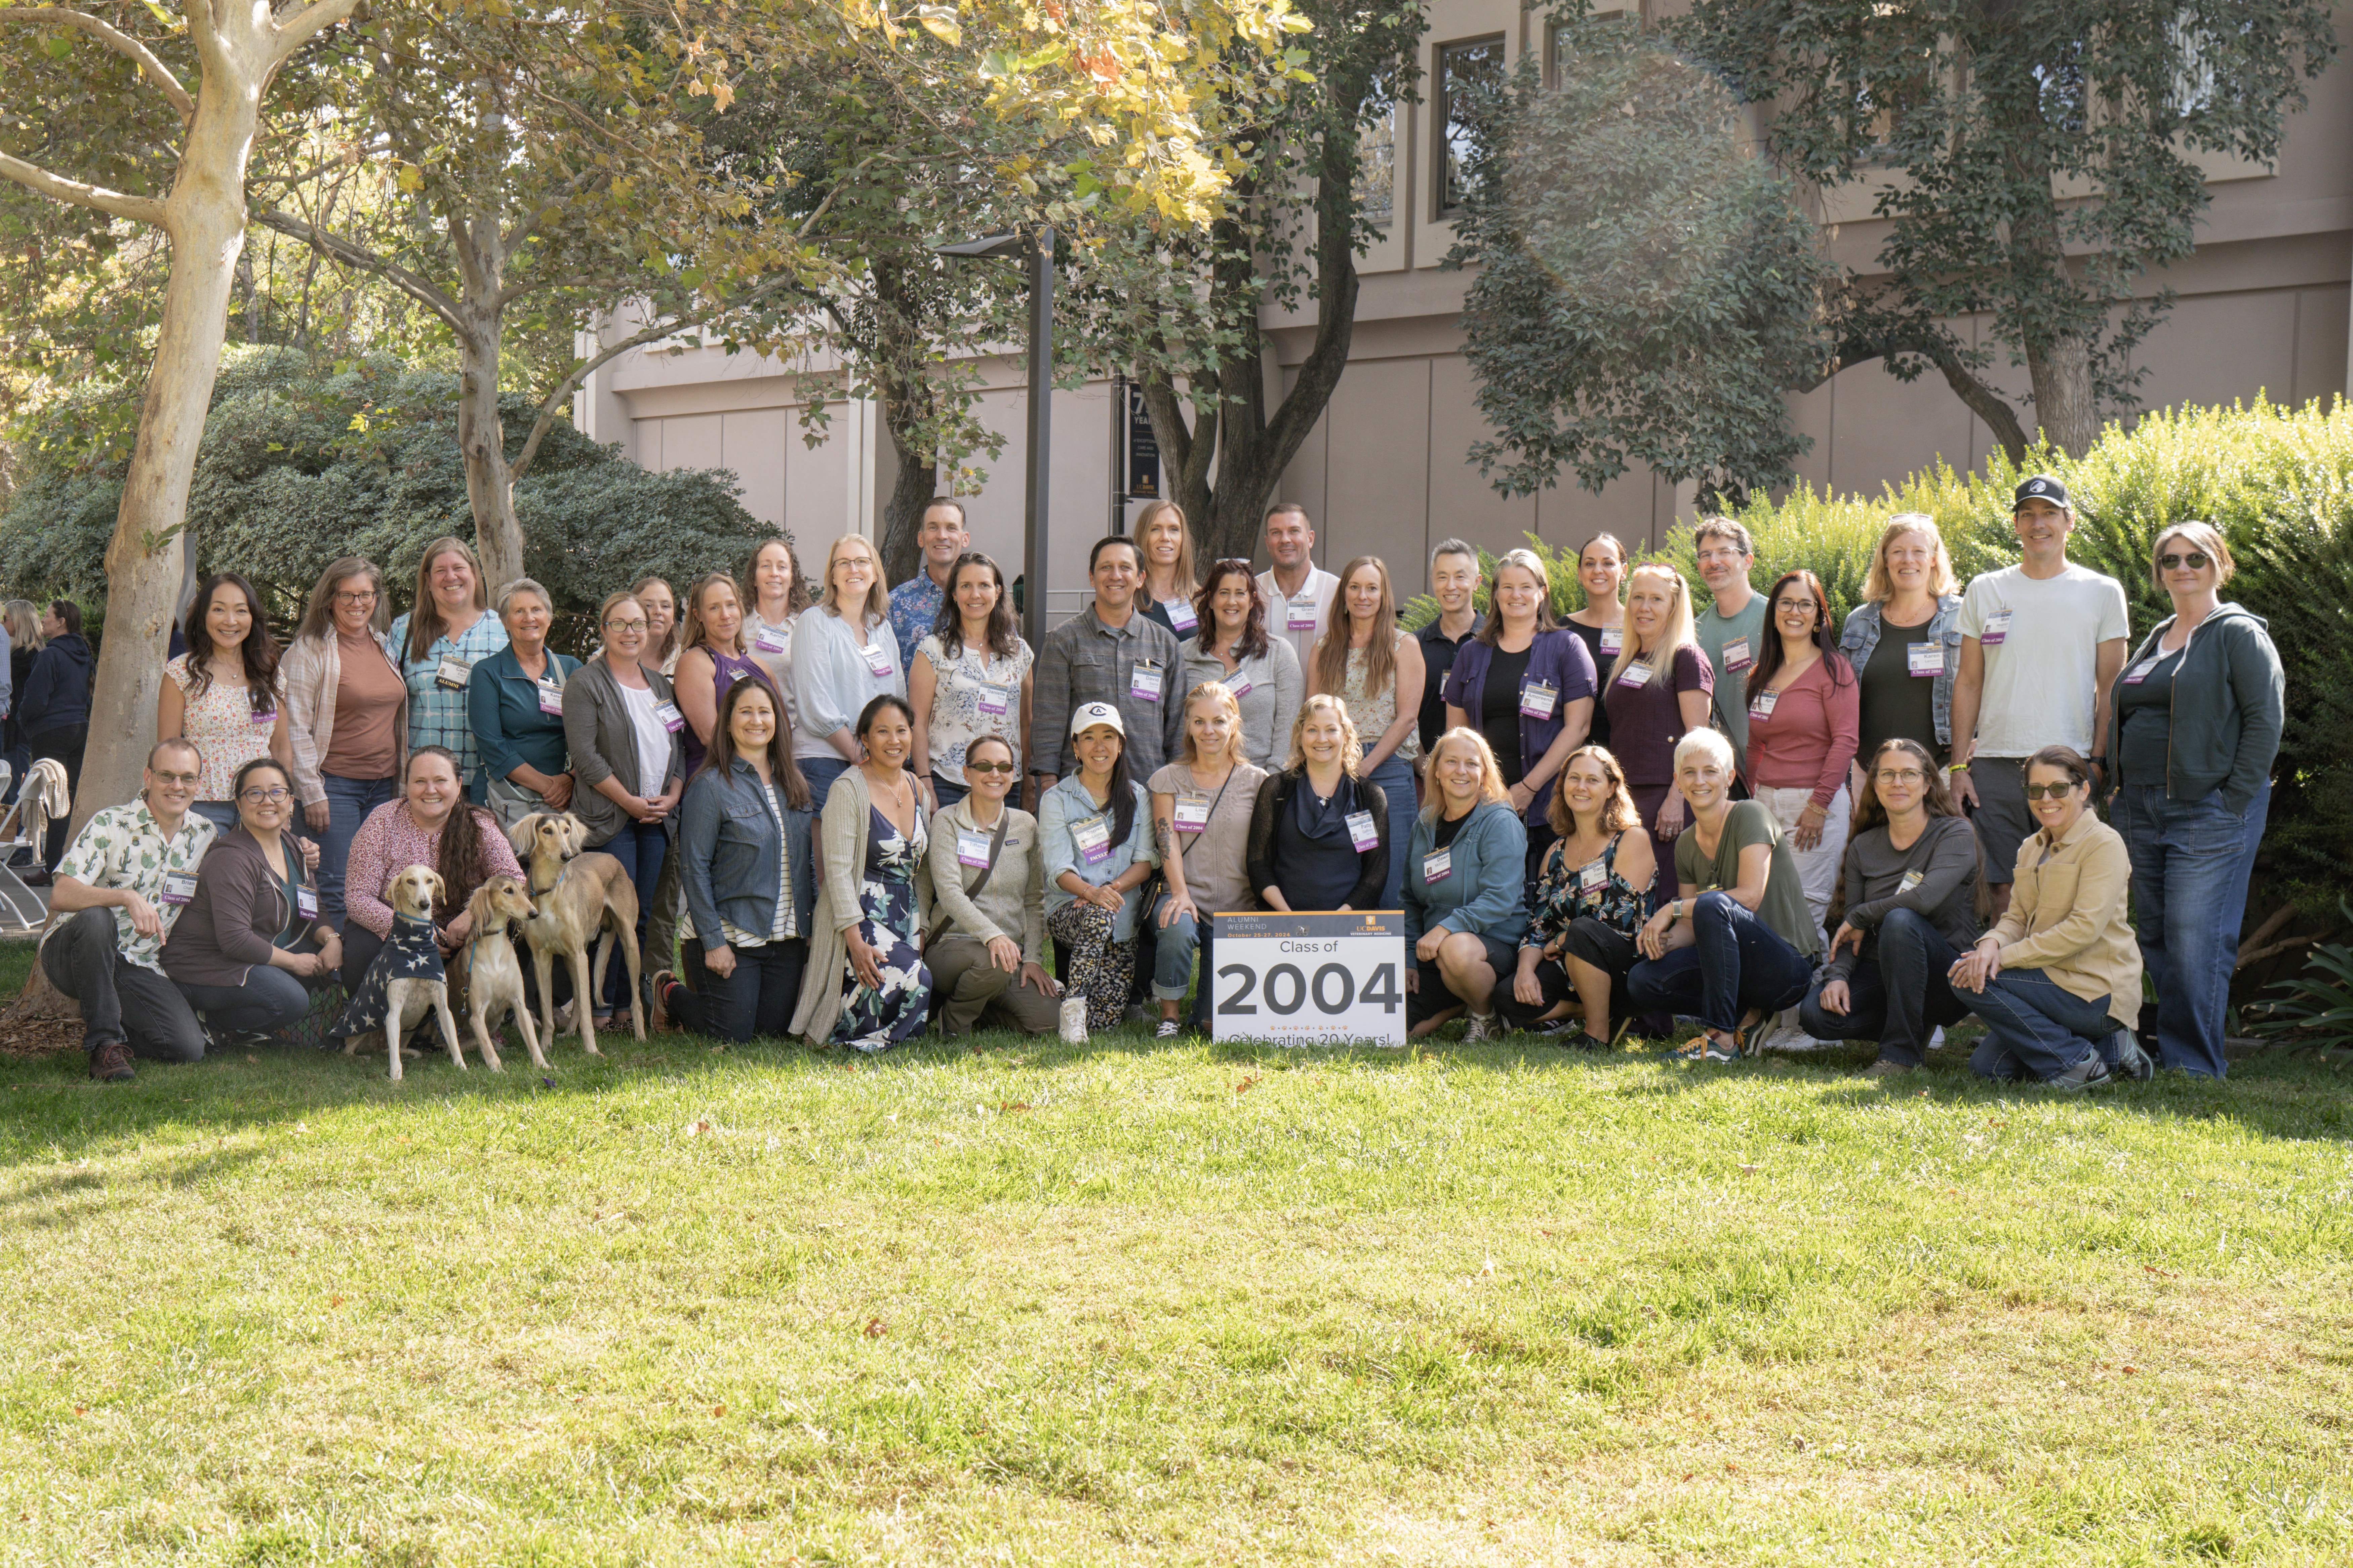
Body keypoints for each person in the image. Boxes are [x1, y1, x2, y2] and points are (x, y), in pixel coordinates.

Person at [2105, 521, 2284, 1078]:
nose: (2182, 568)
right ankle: (2175, 1049)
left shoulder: (2237, 633)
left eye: (2195, 558)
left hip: (2206, 809)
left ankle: (2196, 1065)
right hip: (2139, 807)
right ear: (2159, 572)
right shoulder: (2159, 635)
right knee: (2157, 933)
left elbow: (2266, 720)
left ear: (2219, 565)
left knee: (2195, 937)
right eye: (2171, 560)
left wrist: (2233, 800)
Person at [1949, 475, 2130, 912]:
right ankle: (2006, 961)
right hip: (1995, 766)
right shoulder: (1985, 589)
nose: (2038, 523)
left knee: (2066, 892)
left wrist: (2098, 761)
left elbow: (2111, 688)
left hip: (2069, 763)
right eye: (2027, 514)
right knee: (2002, 891)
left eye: (2049, 513)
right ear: (2016, 524)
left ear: (2070, 521)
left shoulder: (2102, 592)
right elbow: (1968, 681)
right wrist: (1957, 767)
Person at [1952, 745, 2144, 1090]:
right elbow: (2016, 917)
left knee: (1969, 979)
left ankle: (2078, 1066)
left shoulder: (2103, 844)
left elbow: (2083, 930)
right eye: (2035, 790)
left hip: (2095, 990)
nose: (2046, 799)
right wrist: (1990, 944)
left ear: (2083, 790)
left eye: (2058, 788)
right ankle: (2111, 1049)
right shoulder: (2031, 847)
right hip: (2049, 982)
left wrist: (2002, 958)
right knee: (1989, 1069)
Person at [1627, 728, 1823, 1062]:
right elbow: (1690, 926)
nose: (1699, 781)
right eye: (1690, 772)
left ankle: (1721, 1039)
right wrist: (1663, 943)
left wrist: (1670, 909)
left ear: (1730, 778)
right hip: (1731, 966)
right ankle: (1747, 1017)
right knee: (1643, 979)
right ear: (1678, 781)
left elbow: (1749, 897)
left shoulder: (1750, 814)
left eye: (1710, 771)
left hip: (1784, 968)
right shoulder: (1686, 843)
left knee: (1714, 903)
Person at [1797, 739, 1985, 1077]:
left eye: (1909, 774)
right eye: (1887, 775)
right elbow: (1849, 929)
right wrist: (1838, 977)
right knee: (1816, 1015)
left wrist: (1861, 915)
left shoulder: (1955, 832)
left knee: (1901, 920)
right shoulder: (1863, 846)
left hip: (1946, 977)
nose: (1897, 783)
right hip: (1880, 970)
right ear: (1874, 785)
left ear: (1928, 784)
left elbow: (1923, 898)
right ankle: (1910, 1025)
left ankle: (1901, 1057)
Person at [44, 740, 216, 1078]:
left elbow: (241, 859)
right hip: (75, 950)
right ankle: (104, 1046)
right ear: (148, 777)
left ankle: (119, 1028)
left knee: (188, 1048)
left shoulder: (204, 833)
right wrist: (125, 897)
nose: (177, 786)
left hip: (139, 961)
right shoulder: (110, 823)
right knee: (97, 918)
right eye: (166, 776)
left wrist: (299, 849)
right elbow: (61, 894)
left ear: (199, 783)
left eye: (187, 778)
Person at [656, 673, 814, 1042]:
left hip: (785, 938)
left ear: (777, 720)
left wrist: (812, 930)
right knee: (733, 1035)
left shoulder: (794, 783)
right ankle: (669, 992)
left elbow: (807, 862)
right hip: (732, 933)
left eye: (765, 711)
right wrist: (714, 942)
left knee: (773, 1034)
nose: (756, 720)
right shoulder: (710, 786)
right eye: (745, 712)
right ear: (727, 723)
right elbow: (694, 868)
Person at [1740, 568, 1858, 1054]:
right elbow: (1755, 745)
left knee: (1806, 910)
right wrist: (1753, 802)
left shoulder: (1835, 670)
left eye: (1805, 604)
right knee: (1772, 912)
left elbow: (1845, 741)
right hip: (1766, 804)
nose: (1795, 611)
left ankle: (1815, 1025)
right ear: (1773, 613)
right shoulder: (1762, 673)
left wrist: (1818, 804)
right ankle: (1790, 1018)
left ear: (1819, 615)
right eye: (1786, 603)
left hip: (1815, 804)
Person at [1442, 547, 1598, 888]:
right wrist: (1475, 791)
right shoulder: (1471, 653)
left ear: (1542, 593)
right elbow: (1455, 736)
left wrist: (1528, 788)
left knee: (1548, 896)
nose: (1516, 595)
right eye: (1508, 587)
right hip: (1482, 803)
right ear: (1495, 594)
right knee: (1486, 896)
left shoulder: (1567, 647)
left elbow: (1579, 727)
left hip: (1550, 804)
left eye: (1526, 587)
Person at [564, 590, 684, 1024]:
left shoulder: (660, 685)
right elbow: (585, 756)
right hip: (610, 818)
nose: (630, 631)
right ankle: (597, 1007)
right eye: (619, 623)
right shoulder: (585, 683)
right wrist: (630, 802)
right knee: (606, 915)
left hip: (656, 818)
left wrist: (673, 794)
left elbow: (679, 748)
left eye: (638, 623)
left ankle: (625, 1007)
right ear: (604, 629)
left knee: (640, 914)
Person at [160, 757, 340, 1043]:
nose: (267, 801)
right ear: (239, 804)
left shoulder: (294, 846)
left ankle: (253, 1025)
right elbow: (235, 940)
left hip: (257, 955)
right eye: (255, 793)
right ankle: (209, 1022)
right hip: (205, 966)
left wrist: (332, 940)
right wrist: (294, 963)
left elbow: (313, 907)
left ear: (291, 802)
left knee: (333, 960)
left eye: (277, 792)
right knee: (290, 999)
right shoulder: (231, 858)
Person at [790, 695, 932, 1053]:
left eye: (902, 730)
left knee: (910, 982)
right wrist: (853, 939)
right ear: (865, 739)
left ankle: (869, 1028)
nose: (894, 740)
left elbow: (922, 870)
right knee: (916, 977)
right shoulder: (847, 789)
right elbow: (837, 872)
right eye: (882, 732)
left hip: (906, 911)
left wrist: (923, 926)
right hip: (860, 912)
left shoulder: (917, 788)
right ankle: (852, 1039)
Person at [1492, 745, 1656, 1049]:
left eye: (1592, 780)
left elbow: (1616, 920)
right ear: (1563, 785)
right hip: (1569, 964)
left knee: (1582, 931)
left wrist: (1559, 943)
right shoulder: (1555, 852)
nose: (1581, 787)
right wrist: (1525, 971)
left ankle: (1597, 1034)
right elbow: (1539, 924)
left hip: (1625, 964)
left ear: (1611, 789)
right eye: (1574, 778)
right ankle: (1602, 1011)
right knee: (1507, 996)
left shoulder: (1631, 839)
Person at [283, 558, 408, 928]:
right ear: (329, 598)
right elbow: (295, 728)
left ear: (377, 598)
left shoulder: (384, 645)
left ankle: (365, 962)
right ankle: (332, 961)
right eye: (347, 595)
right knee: (336, 886)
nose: (358, 603)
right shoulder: (309, 651)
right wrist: (311, 792)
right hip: (334, 787)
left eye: (366, 594)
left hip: (384, 787)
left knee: (378, 885)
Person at [340, 746, 524, 989]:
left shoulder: (479, 824)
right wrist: (412, 930)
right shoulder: (383, 820)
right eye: (420, 782)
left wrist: (473, 914)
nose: (430, 790)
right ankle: (372, 1012)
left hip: (458, 939)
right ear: (406, 786)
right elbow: (358, 897)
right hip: (395, 933)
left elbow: (514, 879)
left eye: (440, 781)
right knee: (361, 945)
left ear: (459, 784)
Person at [1147, 682, 1267, 1037]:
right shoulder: (1168, 778)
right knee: (1177, 924)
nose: (1208, 731)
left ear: (1234, 723)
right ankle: (1169, 1016)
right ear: (1188, 725)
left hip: (1238, 908)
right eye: (1199, 722)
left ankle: (1199, 1011)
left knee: (1211, 1026)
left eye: (1218, 721)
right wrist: (1180, 893)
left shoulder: (1259, 782)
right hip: (1185, 895)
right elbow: (1166, 840)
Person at [1038, 703, 1160, 1043]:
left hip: (1121, 920)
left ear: (1120, 745)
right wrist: (1090, 893)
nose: (1099, 746)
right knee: (1097, 915)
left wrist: (1108, 890)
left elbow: (1145, 862)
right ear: (1076, 748)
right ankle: (1073, 1010)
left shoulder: (1138, 797)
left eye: (1108, 736)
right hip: (1070, 911)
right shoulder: (1057, 799)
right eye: (1089, 738)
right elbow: (1058, 868)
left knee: (1104, 1023)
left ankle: (1064, 994)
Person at [923, 735, 1060, 1036]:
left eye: (1004, 767)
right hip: (953, 947)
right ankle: (955, 1021)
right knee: (993, 963)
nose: (995, 774)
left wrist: (1033, 959)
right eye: (984, 766)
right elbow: (950, 894)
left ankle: (978, 1002)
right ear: (967, 773)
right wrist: (992, 935)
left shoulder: (1026, 825)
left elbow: (1034, 900)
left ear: (1014, 774)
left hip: (1007, 956)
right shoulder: (947, 821)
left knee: (1049, 1022)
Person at [1310, 555, 1426, 907]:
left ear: (1384, 595)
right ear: (1343, 594)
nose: (1363, 596)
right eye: (1355, 587)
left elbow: (1407, 719)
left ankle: (1400, 945)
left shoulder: (1403, 645)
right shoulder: (1323, 649)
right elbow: (1312, 716)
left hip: (1387, 769)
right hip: (1332, 769)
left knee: (1392, 878)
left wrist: (1364, 767)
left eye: (1372, 588)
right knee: (1342, 872)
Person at [1028, 535, 1187, 789]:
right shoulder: (1063, 640)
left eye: (1125, 567)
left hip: (1148, 788)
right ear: (1092, 577)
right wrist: (1049, 784)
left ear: (1140, 578)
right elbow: (1049, 718)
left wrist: (1174, 785)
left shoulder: (1166, 644)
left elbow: (1178, 726)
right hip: (1079, 791)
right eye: (1106, 567)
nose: (1115, 576)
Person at [1403, 729, 1529, 1040]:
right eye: (1452, 762)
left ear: (1484, 773)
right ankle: (1464, 1001)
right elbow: (1409, 899)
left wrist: (1445, 929)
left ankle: (1487, 1016)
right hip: (1434, 952)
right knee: (1400, 1030)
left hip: (1491, 949)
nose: (1461, 771)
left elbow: (1500, 898)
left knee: (1456, 949)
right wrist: (1408, 959)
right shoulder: (1425, 823)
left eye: (1472, 764)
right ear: (1435, 771)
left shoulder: (1500, 821)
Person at [1602, 564, 1713, 903]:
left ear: (1674, 607)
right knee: (1627, 897)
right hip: (1626, 797)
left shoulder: (1686, 657)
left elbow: (1697, 740)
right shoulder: (1629, 659)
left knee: (1662, 900)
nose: (1644, 607)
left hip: (1666, 801)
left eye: (1656, 599)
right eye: (1638, 598)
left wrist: (1676, 799)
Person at [159, 573, 292, 835]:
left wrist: (286, 805)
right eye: (219, 610)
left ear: (253, 617)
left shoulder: (271, 674)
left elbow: (280, 747)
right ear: (203, 616)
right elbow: (168, 750)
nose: (230, 621)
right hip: (201, 806)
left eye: (241, 611)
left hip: (262, 803)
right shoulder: (182, 673)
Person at [1837, 514, 1963, 779]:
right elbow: (1841, 698)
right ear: (1885, 560)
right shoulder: (1859, 622)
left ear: (1933, 559)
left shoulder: (1961, 617)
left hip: (1941, 770)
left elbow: (1985, 684)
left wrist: (1977, 742)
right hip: (1870, 772)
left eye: (1919, 551)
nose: (1908, 560)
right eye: (1898, 552)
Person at [909, 551, 1034, 812]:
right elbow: (917, 723)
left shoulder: (1020, 653)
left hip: (1005, 785)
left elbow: (1026, 724)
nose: (975, 595)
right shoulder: (933, 650)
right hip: (948, 785)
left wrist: (1029, 785)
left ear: (998, 592)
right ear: (954, 594)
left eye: (984, 585)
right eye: (966, 586)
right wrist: (925, 783)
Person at [385, 536, 509, 796]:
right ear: (428, 581)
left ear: (474, 574)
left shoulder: (503, 628)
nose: (451, 577)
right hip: (424, 783)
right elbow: (385, 703)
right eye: (441, 571)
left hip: (489, 781)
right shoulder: (404, 631)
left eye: (459, 568)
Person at [1247, 694, 1390, 915]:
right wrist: (1288, 917)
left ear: (1346, 735)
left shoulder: (1369, 796)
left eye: (1331, 730)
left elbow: (1376, 872)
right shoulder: (1276, 790)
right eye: (1312, 730)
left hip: (1348, 924)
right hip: (1283, 923)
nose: (1322, 739)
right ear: (1300, 736)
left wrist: (1335, 920)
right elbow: (1258, 861)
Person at [794, 535, 907, 808]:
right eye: (843, 563)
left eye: (861, 561)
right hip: (826, 760)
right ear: (832, 576)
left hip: (876, 762)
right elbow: (816, 704)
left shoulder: (882, 628)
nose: (853, 569)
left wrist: (885, 755)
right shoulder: (815, 622)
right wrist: (863, 757)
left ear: (875, 574)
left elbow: (898, 697)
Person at [467, 578, 580, 831]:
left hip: (567, 799)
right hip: (506, 799)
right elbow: (492, 746)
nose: (529, 618)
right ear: (505, 622)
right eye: (519, 611)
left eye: (536, 610)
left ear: (549, 617)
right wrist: (549, 787)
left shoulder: (572, 669)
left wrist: (570, 780)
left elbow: (592, 736)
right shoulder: (487, 672)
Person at [1181, 559, 1301, 772]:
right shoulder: (1183, 655)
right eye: (1224, 593)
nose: (1232, 601)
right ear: (1211, 600)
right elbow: (1174, 727)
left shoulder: (1279, 653)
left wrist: (1271, 783)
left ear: (1252, 600)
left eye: (1240, 593)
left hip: (1262, 780)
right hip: (1197, 781)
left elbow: (1290, 728)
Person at [673, 571, 769, 779]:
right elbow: (710, 737)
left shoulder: (761, 666)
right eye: (714, 608)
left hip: (765, 777)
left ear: (740, 608)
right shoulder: (695, 662)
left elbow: (782, 730)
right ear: (698, 615)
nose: (725, 615)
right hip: (719, 781)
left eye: (731, 605)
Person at [20, 598, 93, 871]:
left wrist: (25, 722)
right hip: (78, 730)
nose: (43, 620)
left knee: (52, 802)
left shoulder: (49, 656)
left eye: (48, 616)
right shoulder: (85, 655)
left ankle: (52, 867)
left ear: (62, 622)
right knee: (67, 800)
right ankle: (63, 865)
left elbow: (35, 700)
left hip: (51, 732)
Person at [1690, 516, 1769, 759]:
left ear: (1748, 561)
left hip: (1774, 765)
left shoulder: (1775, 619)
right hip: (1720, 769)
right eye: (1706, 555)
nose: (1714, 562)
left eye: (1725, 552)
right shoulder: (1694, 632)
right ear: (1699, 566)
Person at [1415, 539, 1484, 758]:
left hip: (1486, 770)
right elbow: (1402, 717)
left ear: (1477, 582)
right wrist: (1426, 770)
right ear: (1432, 581)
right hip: (1422, 771)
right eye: (1442, 577)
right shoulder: (1413, 646)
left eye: (1460, 577)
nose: (1451, 586)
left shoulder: (1496, 642)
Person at [1561, 535, 1628, 751]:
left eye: (1608, 563)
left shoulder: (1641, 627)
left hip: (1629, 749)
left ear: (1624, 571)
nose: (1598, 570)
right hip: (1574, 754)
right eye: (1590, 564)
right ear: (1580, 573)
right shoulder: (1562, 630)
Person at [1255, 503, 1341, 668]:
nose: (1285, 540)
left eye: (1294, 531)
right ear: (1267, 543)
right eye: (1276, 533)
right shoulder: (1252, 592)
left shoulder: (1337, 591)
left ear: (1310, 539)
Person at [886, 502, 969, 669]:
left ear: (965, 538)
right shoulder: (895, 603)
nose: (942, 536)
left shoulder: (981, 601)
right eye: (933, 528)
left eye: (951, 528)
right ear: (921, 538)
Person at [742, 535, 810, 709]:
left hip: (795, 725)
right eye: (766, 566)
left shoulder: (808, 627)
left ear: (793, 578)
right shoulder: (737, 627)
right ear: (754, 578)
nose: (774, 573)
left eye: (782, 567)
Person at [1134, 499, 1202, 639]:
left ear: (1183, 538)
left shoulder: (1201, 600)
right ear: (1143, 536)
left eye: (1174, 529)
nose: (1165, 538)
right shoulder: (1128, 597)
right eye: (1156, 529)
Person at [632, 574, 682, 676]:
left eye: (666, 606)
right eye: (649, 605)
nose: (658, 611)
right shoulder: (609, 657)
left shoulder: (686, 659)